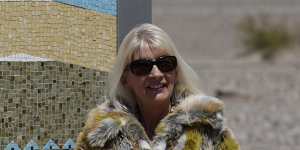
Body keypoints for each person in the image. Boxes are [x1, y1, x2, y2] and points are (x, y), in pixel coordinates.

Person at [76, 23, 239, 149]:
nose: (156, 74)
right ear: (125, 78)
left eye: (165, 64)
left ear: (176, 72)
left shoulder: (205, 126)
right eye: (142, 67)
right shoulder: (101, 133)